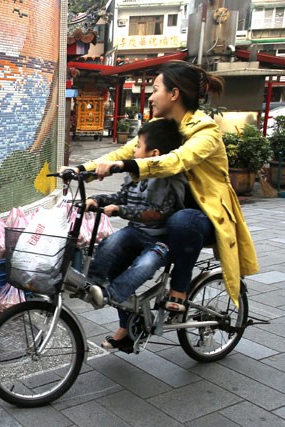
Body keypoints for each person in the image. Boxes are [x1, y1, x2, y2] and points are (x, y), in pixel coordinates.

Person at [65, 60, 258, 319]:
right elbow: (124, 151)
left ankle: (179, 290)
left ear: (174, 94)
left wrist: (124, 166)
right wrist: (81, 169)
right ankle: (127, 329)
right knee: (117, 257)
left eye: (155, 89)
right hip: (158, 214)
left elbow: (176, 160)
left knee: (182, 220)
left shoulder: (206, 131)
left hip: (201, 216)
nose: (151, 96)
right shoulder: (161, 126)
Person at [83, 119, 187, 353]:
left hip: (161, 239)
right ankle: (94, 284)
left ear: (154, 153)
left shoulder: (169, 180)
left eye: (138, 146)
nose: (134, 151)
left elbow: (158, 213)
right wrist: (97, 200)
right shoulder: (134, 175)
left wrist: (121, 211)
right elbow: (121, 197)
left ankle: (112, 294)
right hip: (136, 231)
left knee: (144, 266)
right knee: (109, 244)